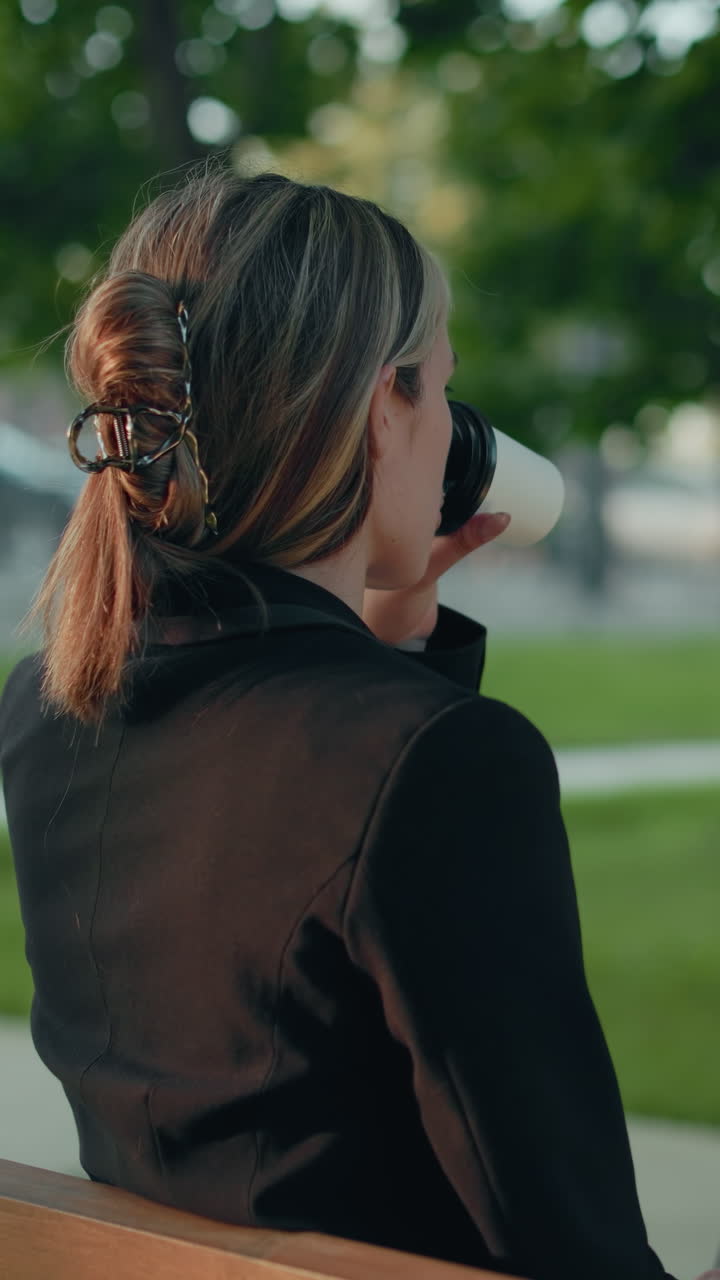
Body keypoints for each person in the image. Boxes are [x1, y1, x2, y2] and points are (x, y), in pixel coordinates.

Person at [0, 167, 677, 1280]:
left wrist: (390, 646)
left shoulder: (52, 702)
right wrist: (399, 698)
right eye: (440, 392)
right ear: (380, 407)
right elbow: (570, 1243)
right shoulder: (432, 761)